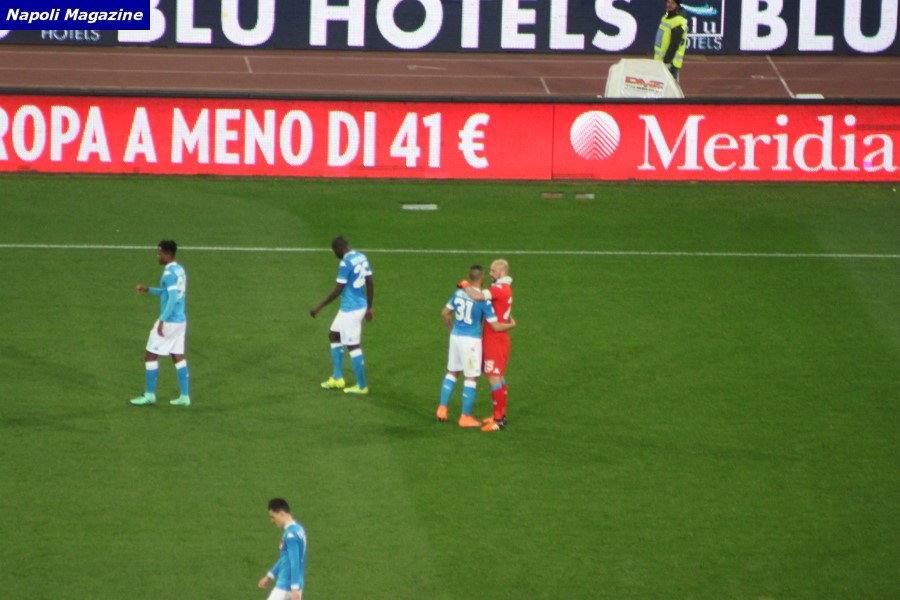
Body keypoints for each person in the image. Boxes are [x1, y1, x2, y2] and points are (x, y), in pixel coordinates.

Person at [436, 265, 515, 428]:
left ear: (469, 276)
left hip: (455, 338)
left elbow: (444, 313)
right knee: (471, 378)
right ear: (482, 278)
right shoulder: (483, 301)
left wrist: (451, 328)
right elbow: (496, 326)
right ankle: (465, 417)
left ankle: (442, 409)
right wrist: (512, 325)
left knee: (452, 372)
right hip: (471, 342)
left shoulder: (458, 293)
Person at [310, 236, 374, 395]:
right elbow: (370, 282)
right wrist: (369, 307)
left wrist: (320, 306)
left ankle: (362, 386)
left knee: (353, 346)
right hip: (355, 306)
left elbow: (338, 289)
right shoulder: (361, 257)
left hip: (351, 310)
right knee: (334, 335)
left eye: (334, 251)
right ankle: (338, 377)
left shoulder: (345, 263)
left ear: (338, 249)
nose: (335, 254)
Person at [130, 240, 191, 407]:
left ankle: (150, 395)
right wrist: (148, 289)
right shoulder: (179, 270)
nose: (158, 256)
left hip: (169, 321)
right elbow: (167, 292)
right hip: (180, 321)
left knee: (150, 355)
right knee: (178, 357)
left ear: (167, 254)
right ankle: (184, 396)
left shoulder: (169, 274)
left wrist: (162, 320)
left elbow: (172, 298)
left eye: (160, 253)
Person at [464, 259, 513, 432]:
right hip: (497, 339)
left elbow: (477, 296)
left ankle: (498, 421)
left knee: (493, 378)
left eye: (493, 271)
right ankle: (501, 415)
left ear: (502, 272)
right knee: (498, 377)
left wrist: (465, 285)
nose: (490, 274)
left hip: (495, 340)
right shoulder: (504, 289)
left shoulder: (499, 289)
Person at [258, 498, 307, 600]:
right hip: (296, 585)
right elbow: (286, 559)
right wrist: (269, 576)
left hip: (285, 587)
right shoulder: (299, 529)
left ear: (281, 513)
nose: (272, 521)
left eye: (273, 517)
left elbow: (294, 562)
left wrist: (294, 589)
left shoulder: (290, 535)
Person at [654, 0, 688, 83]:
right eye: (668, 2)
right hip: (660, 61)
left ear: (677, 5)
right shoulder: (665, 17)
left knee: (672, 88)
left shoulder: (678, 21)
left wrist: (667, 60)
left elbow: (675, 43)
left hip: (670, 64)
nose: (669, 5)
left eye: (672, 3)